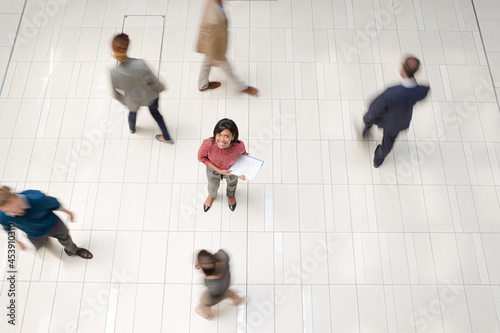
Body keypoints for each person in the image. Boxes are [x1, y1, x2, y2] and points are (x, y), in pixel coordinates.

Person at [362, 56, 430, 167]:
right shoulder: (422, 90)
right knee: (388, 142)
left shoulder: (391, 93)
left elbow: (374, 108)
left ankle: (366, 132)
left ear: (403, 71)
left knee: (369, 119)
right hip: (398, 122)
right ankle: (378, 159)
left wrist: (367, 118)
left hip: (382, 117)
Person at [110, 33, 174, 144]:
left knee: (132, 113)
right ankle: (167, 137)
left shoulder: (114, 73)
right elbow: (153, 81)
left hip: (133, 100)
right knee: (156, 114)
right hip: (151, 96)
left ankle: (132, 128)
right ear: (128, 47)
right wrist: (161, 88)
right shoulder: (140, 64)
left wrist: (127, 101)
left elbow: (115, 94)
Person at [0, 186, 93, 259]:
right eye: (12, 211)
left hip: (54, 225)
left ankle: (74, 251)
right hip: (34, 234)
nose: (19, 211)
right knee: (42, 247)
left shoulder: (37, 198)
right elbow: (7, 228)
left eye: (18, 206)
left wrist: (68, 212)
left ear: (15, 196)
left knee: (66, 239)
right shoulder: (2, 216)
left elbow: (55, 204)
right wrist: (17, 242)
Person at [196, 0, 258, 95]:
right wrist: (213, 59)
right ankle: (244, 87)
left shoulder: (213, 4)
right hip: (216, 50)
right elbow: (212, 40)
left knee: (206, 63)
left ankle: (202, 85)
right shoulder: (213, 20)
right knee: (229, 70)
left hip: (211, 43)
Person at [197, 118, 247, 212]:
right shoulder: (208, 144)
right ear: (215, 134)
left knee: (232, 184)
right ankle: (211, 196)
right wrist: (219, 170)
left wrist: (242, 172)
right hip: (213, 169)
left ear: (233, 137)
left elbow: (243, 156)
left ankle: (230, 195)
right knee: (212, 185)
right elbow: (201, 157)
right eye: (219, 135)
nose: (221, 140)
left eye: (226, 136)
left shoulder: (239, 146)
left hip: (231, 170)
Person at [194, 249, 245, 320]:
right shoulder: (223, 256)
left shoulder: (210, 283)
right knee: (229, 293)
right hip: (226, 283)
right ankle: (237, 299)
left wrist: (208, 308)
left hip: (216, 294)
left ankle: (207, 315)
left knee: (203, 303)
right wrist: (204, 263)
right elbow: (215, 258)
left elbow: (214, 296)